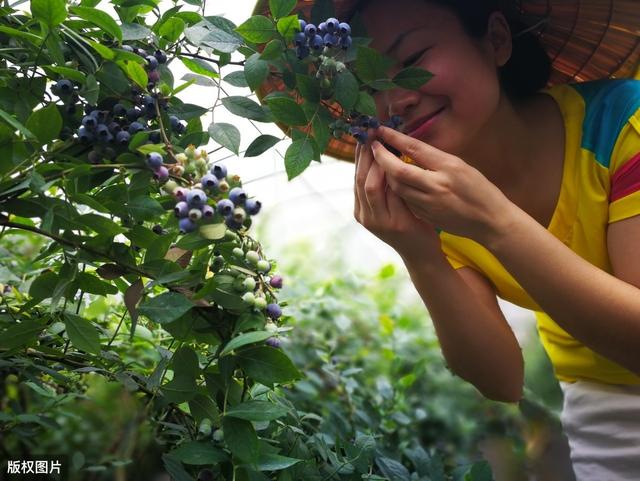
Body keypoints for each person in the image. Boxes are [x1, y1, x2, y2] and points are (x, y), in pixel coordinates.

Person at [348, 1, 640, 480]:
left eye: (413, 59)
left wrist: (493, 222)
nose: (395, 100)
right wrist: (420, 254)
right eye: (366, 86)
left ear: (497, 39)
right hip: (601, 411)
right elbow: (501, 379)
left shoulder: (621, 125)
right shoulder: (431, 203)